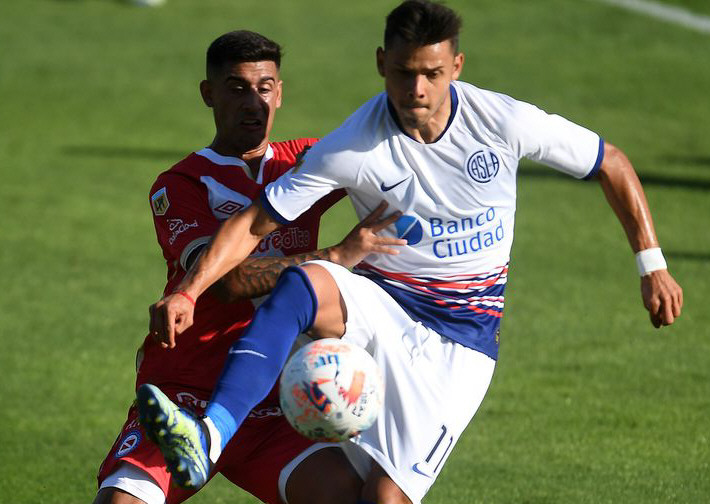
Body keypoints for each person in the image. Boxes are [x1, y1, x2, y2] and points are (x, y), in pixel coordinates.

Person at [138, 2, 684, 503]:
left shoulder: (502, 122)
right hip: (384, 309)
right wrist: (188, 290)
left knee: (380, 499)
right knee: (304, 283)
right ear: (381, 63)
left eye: (432, 73)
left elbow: (610, 161)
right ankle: (210, 435)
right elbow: (252, 223)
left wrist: (651, 265)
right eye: (403, 72)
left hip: (460, 345)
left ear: (457, 66)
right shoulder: (353, 147)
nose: (416, 88)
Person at [94, 30, 403, 504]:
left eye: (264, 87)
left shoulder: (306, 163)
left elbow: (398, 168)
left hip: (277, 406)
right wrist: (334, 258)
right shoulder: (181, 184)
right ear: (208, 94)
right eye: (236, 88)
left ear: (279, 92)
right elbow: (226, 283)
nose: (253, 102)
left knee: (348, 497)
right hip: (184, 398)